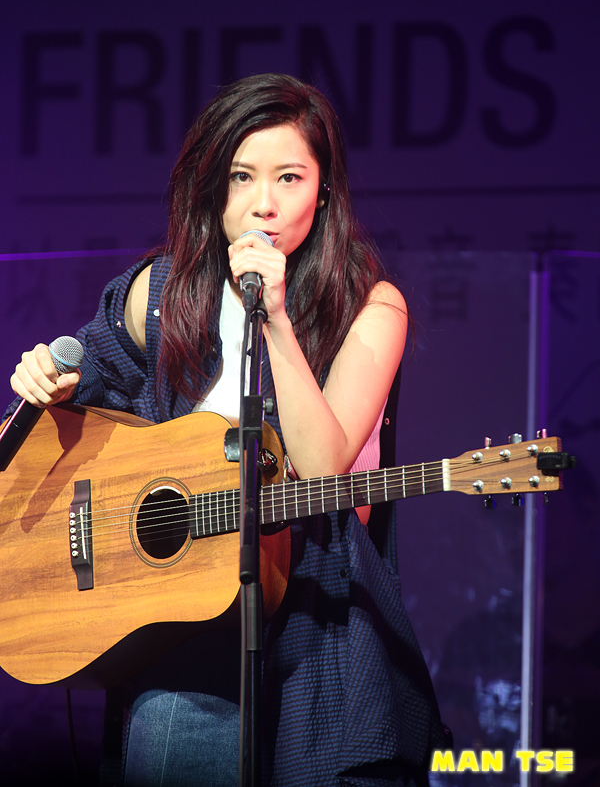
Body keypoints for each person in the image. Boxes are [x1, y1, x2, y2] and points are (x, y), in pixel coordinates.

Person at [7, 73, 449, 786]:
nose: (263, 202)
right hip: (181, 625)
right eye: (242, 176)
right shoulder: (160, 294)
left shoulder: (371, 307)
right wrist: (43, 386)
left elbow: (323, 465)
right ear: (213, 187)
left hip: (317, 620)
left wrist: (273, 316)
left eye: (289, 177)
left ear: (324, 192)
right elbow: (72, 399)